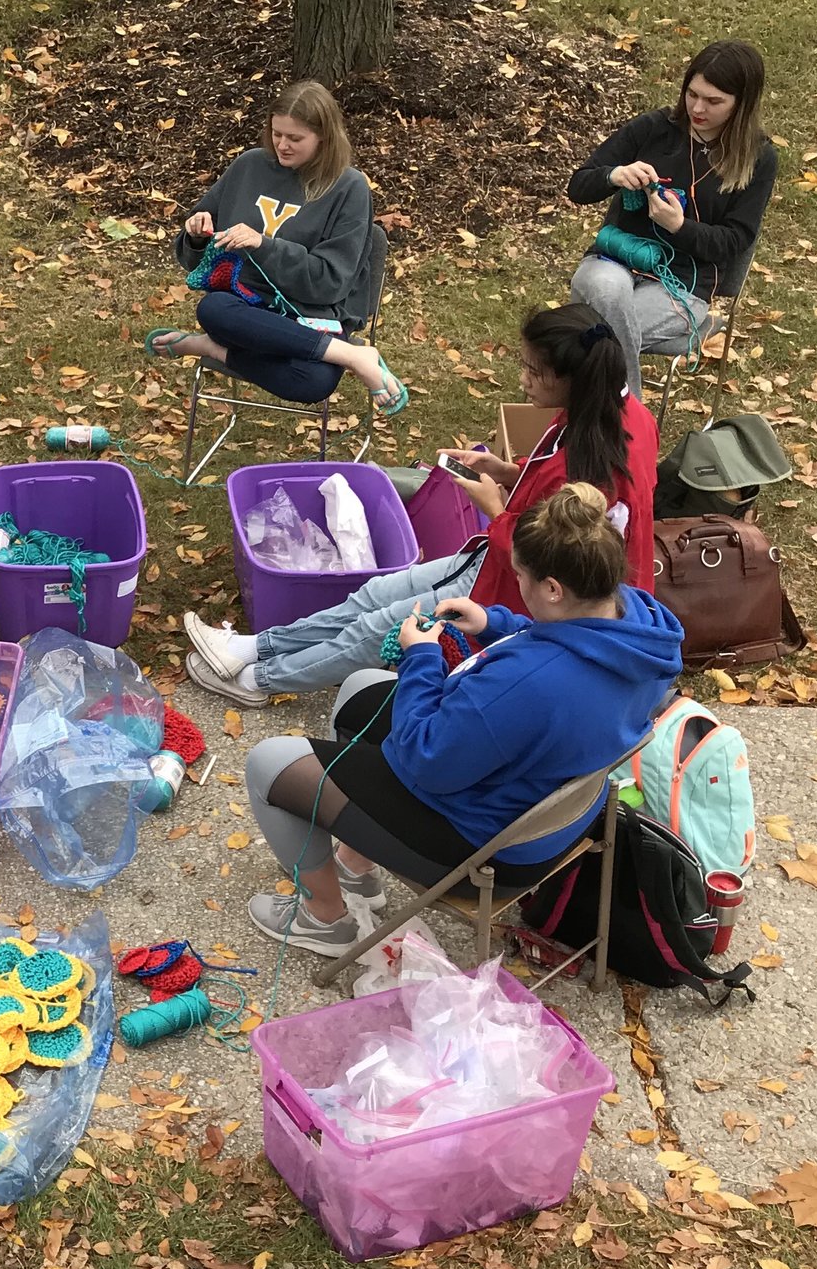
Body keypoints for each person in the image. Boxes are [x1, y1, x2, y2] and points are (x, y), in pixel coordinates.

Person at [238, 483, 683, 957]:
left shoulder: (527, 685)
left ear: (553, 589)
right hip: (551, 808)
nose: (519, 587)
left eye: (522, 578)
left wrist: (422, 657)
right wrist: (495, 624)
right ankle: (357, 869)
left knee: (269, 762)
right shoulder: (641, 625)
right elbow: (574, 639)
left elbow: (424, 757)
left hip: (487, 846)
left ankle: (324, 918)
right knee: (360, 689)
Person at [184, 304, 655, 706]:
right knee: (372, 598)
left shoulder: (599, 465)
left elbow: (558, 558)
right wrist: (509, 473)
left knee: (375, 631)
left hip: (516, 576)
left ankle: (259, 681)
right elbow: (553, 487)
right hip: (495, 556)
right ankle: (254, 648)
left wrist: (496, 509)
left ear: (575, 379)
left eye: (534, 372)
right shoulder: (611, 415)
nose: (523, 380)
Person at [147, 80, 405, 414]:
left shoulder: (348, 187)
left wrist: (263, 245)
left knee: (314, 382)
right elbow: (194, 254)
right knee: (213, 309)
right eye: (276, 133)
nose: (281, 145)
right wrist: (197, 235)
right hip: (244, 307)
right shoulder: (249, 166)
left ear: (324, 137)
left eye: (295, 138)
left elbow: (329, 282)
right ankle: (352, 355)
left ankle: (211, 347)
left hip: (309, 314)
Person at [568, 39, 776, 398]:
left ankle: (603, 425)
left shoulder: (758, 158)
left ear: (741, 104)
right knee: (606, 291)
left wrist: (679, 227)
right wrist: (613, 176)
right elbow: (578, 186)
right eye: (692, 94)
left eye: (713, 101)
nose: (697, 108)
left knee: (595, 336)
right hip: (616, 259)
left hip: (682, 286)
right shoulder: (654, 128)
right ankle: (627, 426)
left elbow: (734, 241)